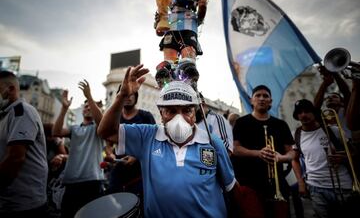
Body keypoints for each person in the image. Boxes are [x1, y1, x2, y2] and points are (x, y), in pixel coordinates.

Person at [97, 64, 242, 218]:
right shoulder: (147, 136)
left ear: (194, 113)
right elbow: (106, 132)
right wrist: (121, 97)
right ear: (161, 113)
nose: (179, 118)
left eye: (186, 110)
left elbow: (232, 189)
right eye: (171, 111)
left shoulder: (213, 143)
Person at [232, 84, 295, 218]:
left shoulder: (280, 124)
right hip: (250, 185)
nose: (261, 99)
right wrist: (258, 153)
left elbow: (292, 153)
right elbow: (235, 149)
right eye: (258, 95)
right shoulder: (241, 122)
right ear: (251, 100)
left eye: (265, 96)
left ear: (270, 101)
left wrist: (281, 157)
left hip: (277, 184)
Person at [291, 99, 357, 218]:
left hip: (342, 186)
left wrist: (344, 158)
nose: (303, 115)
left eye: (307, 111)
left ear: (314, 112)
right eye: (300, 112)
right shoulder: (297, 134)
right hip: (315, 188)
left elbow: (354, 153)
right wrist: (301, 182)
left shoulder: (333, 130)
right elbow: (294, 159)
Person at [52, 80, 105, 218]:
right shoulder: (75, 129)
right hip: (72, 183)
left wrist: (89, 97)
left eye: (91, 106)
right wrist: (64, 108)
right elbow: (56, 131)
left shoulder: (98, 128)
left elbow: (102, 121)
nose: (88, 108)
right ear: (82, 109)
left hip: (92, 182)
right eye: (86, 106)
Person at [0, 70, 48, 218]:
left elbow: (15, 158)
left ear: (11, 89)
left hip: (25, 206)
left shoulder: (22, 112)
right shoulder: (4, 115)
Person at [154, 0, 209, 89]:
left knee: (188, 60)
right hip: (173, 32)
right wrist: (160, 19)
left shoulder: (194, 15)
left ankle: (188, 77)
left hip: (188, 31)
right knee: (170, 62)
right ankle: (167, 76)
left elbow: (202, 8)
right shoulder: (168, 16)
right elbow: (159, 32)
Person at [105, 86, 156, 201]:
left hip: (140, 175)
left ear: (136, 97)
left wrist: (136, 156)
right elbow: (108, 144)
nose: (128, 97)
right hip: (117, 173)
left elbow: (153, 143)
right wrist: (110, 154)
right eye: (125, 94)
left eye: (131, 94)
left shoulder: (146, 116)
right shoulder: (114, 118)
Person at [314, 66, 352, 139]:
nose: (330, 98)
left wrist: (334, 73)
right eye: (327, 98)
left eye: (334, 96)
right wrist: (324, 84)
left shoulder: (347, 110)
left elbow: (346, 93)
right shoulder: (324, 116)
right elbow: (315, 108)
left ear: (342, 102)